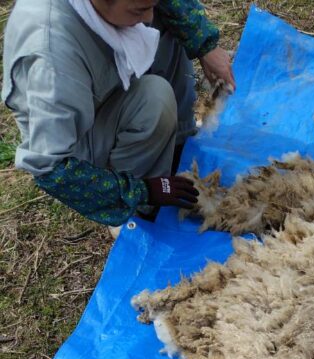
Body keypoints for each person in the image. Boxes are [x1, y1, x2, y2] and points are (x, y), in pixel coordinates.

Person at [2, 0, 236, 226]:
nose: (148, 17)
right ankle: (138, 208)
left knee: (167, 21)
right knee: (155, 98)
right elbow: (49, 168)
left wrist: (205, 45)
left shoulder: (115, 7)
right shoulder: (53, 63)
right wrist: (140, 191)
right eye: (139, 10)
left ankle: (177, 146)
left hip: (99, 80)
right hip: (78, 134)